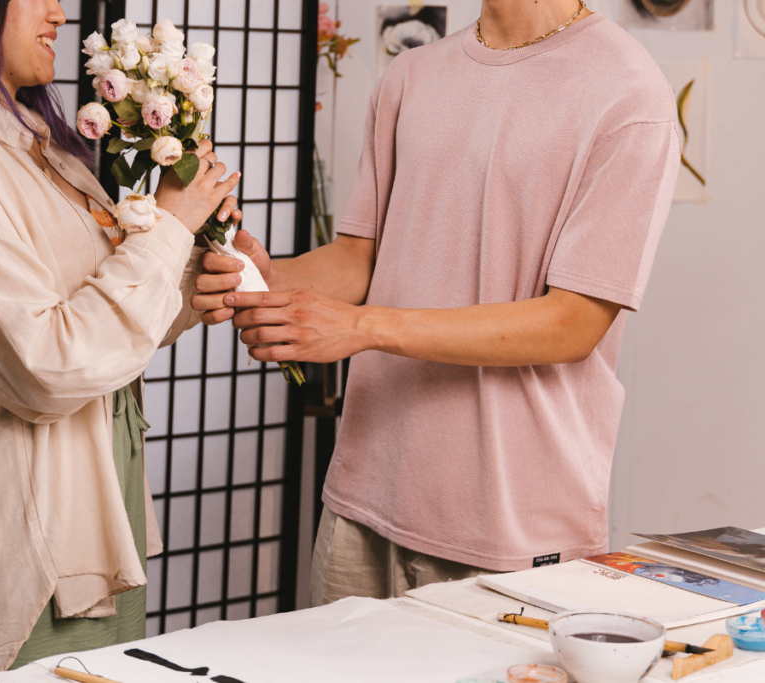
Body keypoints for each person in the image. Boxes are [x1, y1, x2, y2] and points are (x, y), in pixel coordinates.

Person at [195, 0, 681, 604]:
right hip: (365, 497)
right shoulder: (411, 75)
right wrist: (268, 275)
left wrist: (361, 327)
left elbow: (572, 324)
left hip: (511, 524)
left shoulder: (630, 96)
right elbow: (359, 259)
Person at [0, 0, 240, 678]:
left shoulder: (37, 140)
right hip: (28, 546)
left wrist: (188, 274)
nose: (60, 12)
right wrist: (166, 230)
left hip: (98, 512)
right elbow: (44, 366)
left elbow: (90, 314)